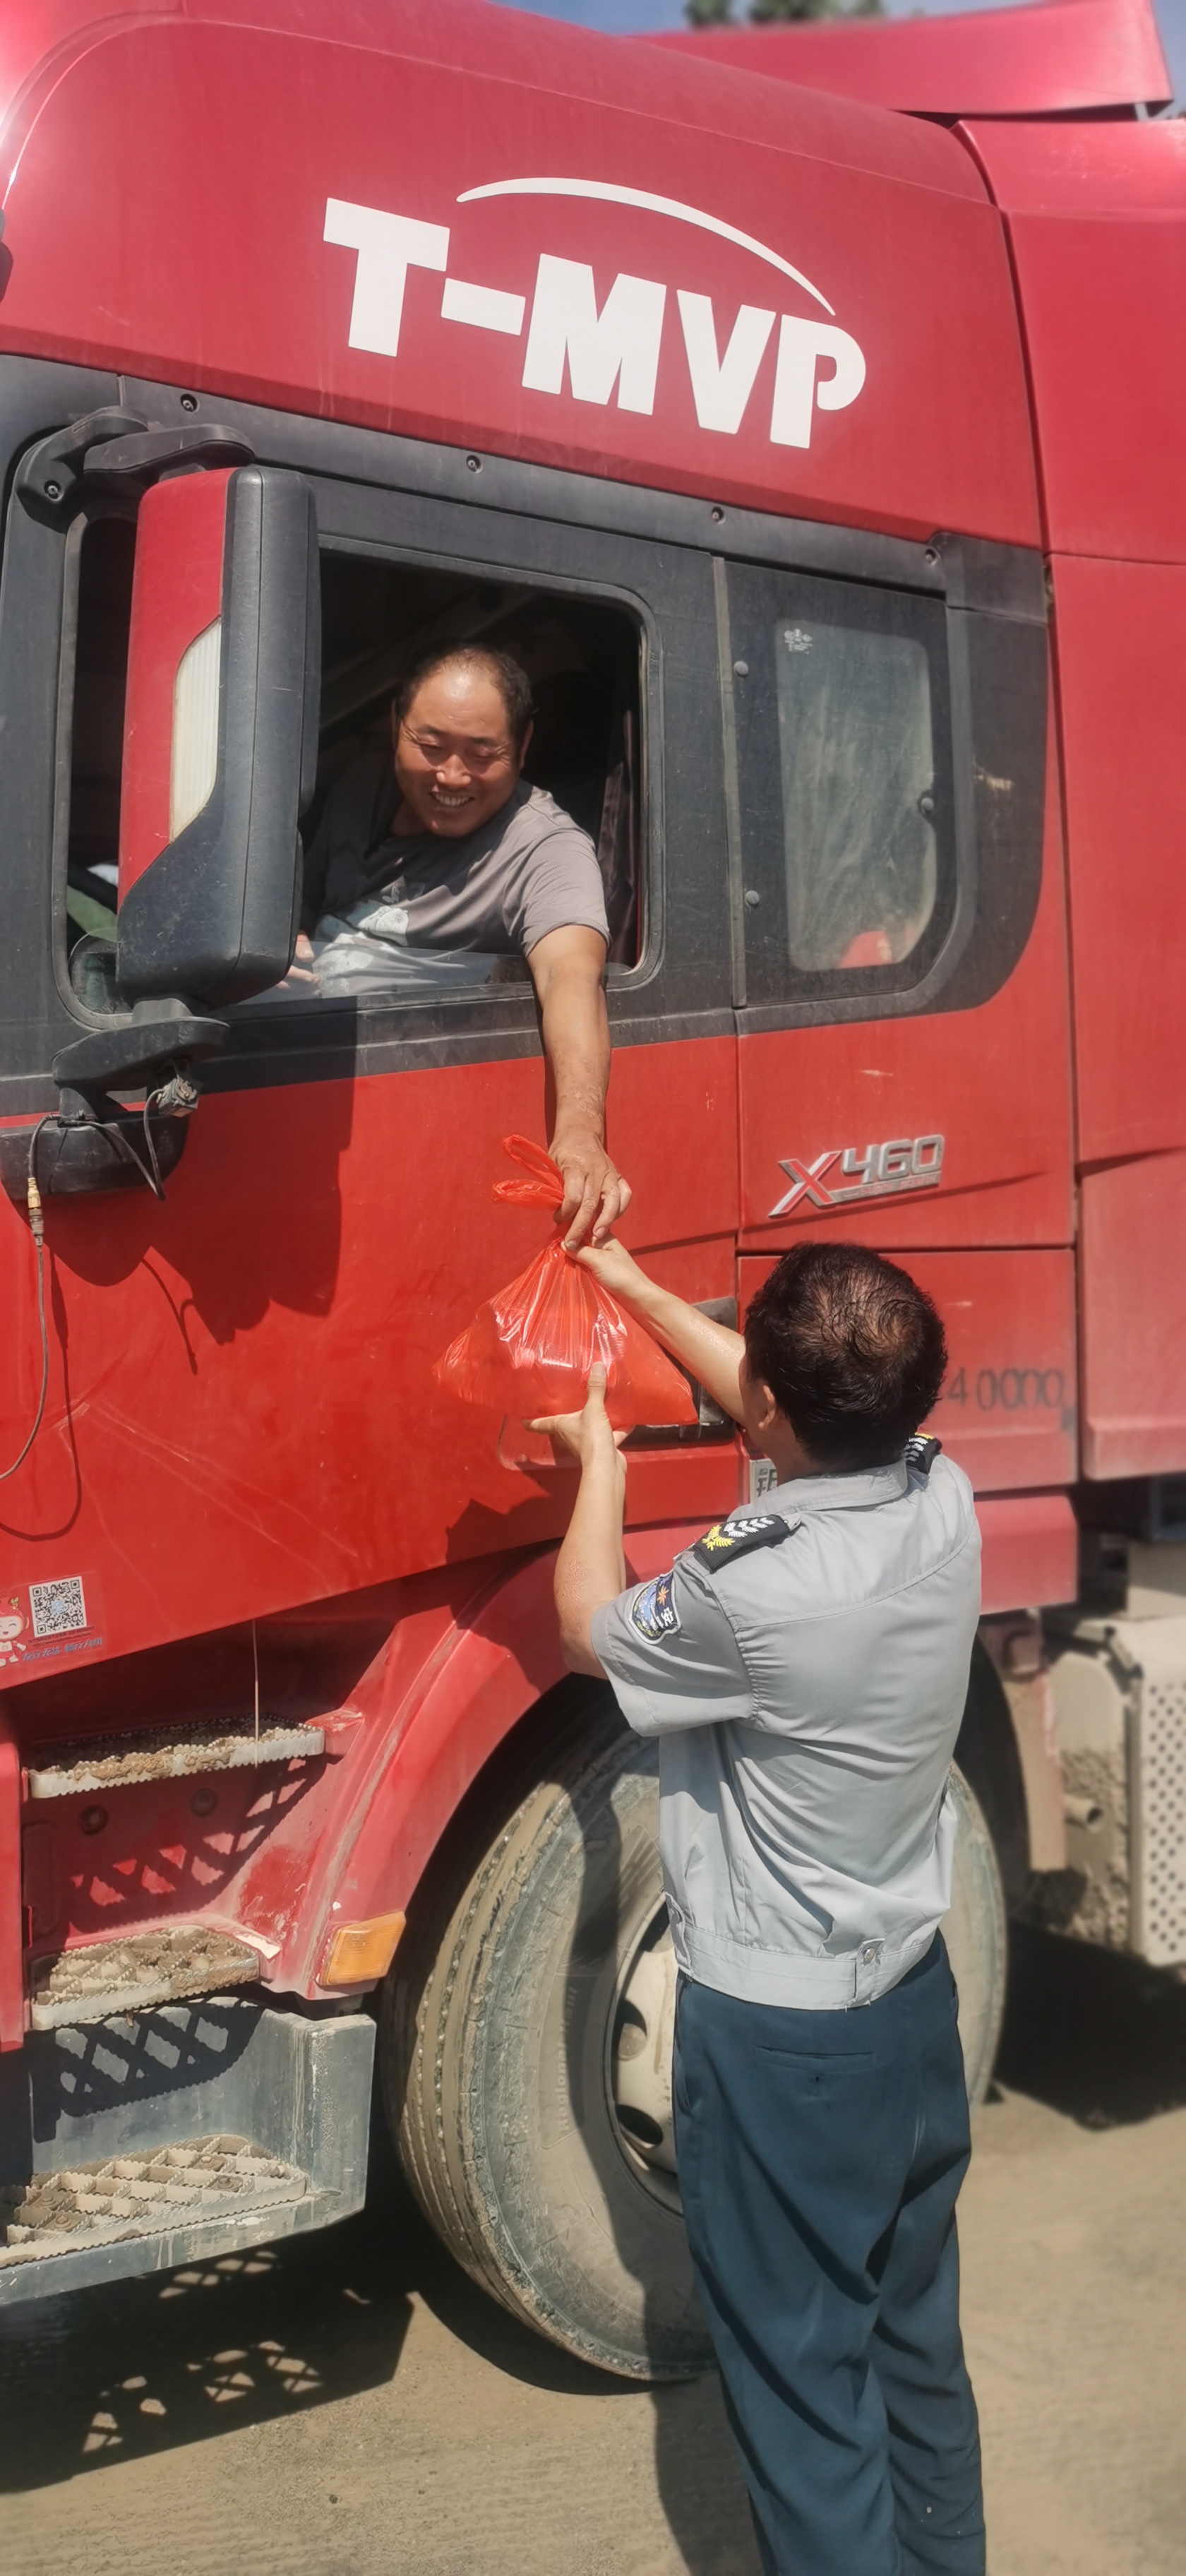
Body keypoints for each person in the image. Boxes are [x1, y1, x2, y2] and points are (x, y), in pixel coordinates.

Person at [531, 1236, 986, 2576]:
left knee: (804, 2398)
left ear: (773, 1407)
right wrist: (630, 1283)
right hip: (911, 2006)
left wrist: (601, 1470)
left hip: (788, 2049)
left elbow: (586, 1627)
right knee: (915, 2355)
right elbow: (783, 1395)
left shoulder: (754, 1592)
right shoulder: (942, 1491)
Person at [292, 643, 629, 1248]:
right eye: (430, 746)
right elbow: (307, 904)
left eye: (482, 754)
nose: (451, 776)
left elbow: (571, 978)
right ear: (396, 725)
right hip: (306, 1066)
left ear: (523, 747)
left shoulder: (546, 848)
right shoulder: (360, 785)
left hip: (401, 1099)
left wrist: (581, 1131)